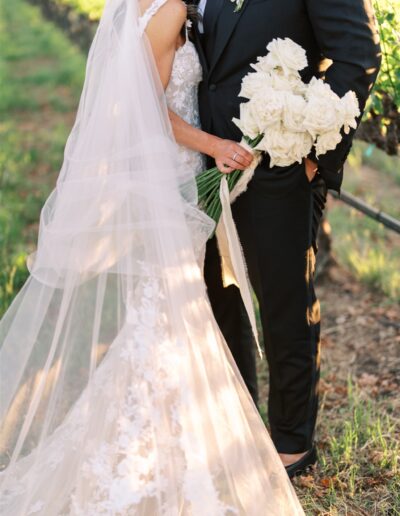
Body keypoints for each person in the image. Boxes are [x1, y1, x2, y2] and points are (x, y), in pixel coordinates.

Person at [0, 0, 304, 514]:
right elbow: (147, 111)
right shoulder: (170, 11)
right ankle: (158, 448)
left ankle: (152, 436)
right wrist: (213, 143)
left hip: (166, 173)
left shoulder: (137, 7)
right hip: (173, 171)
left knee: (161, 312)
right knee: (168, 312)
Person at [180, 0, 381, 477]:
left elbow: (358, 53)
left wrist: (313, 152)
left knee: (284, 303)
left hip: (279, 165)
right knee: (219, 297)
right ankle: (238, 421)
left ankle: (292, 444)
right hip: (202, 161)